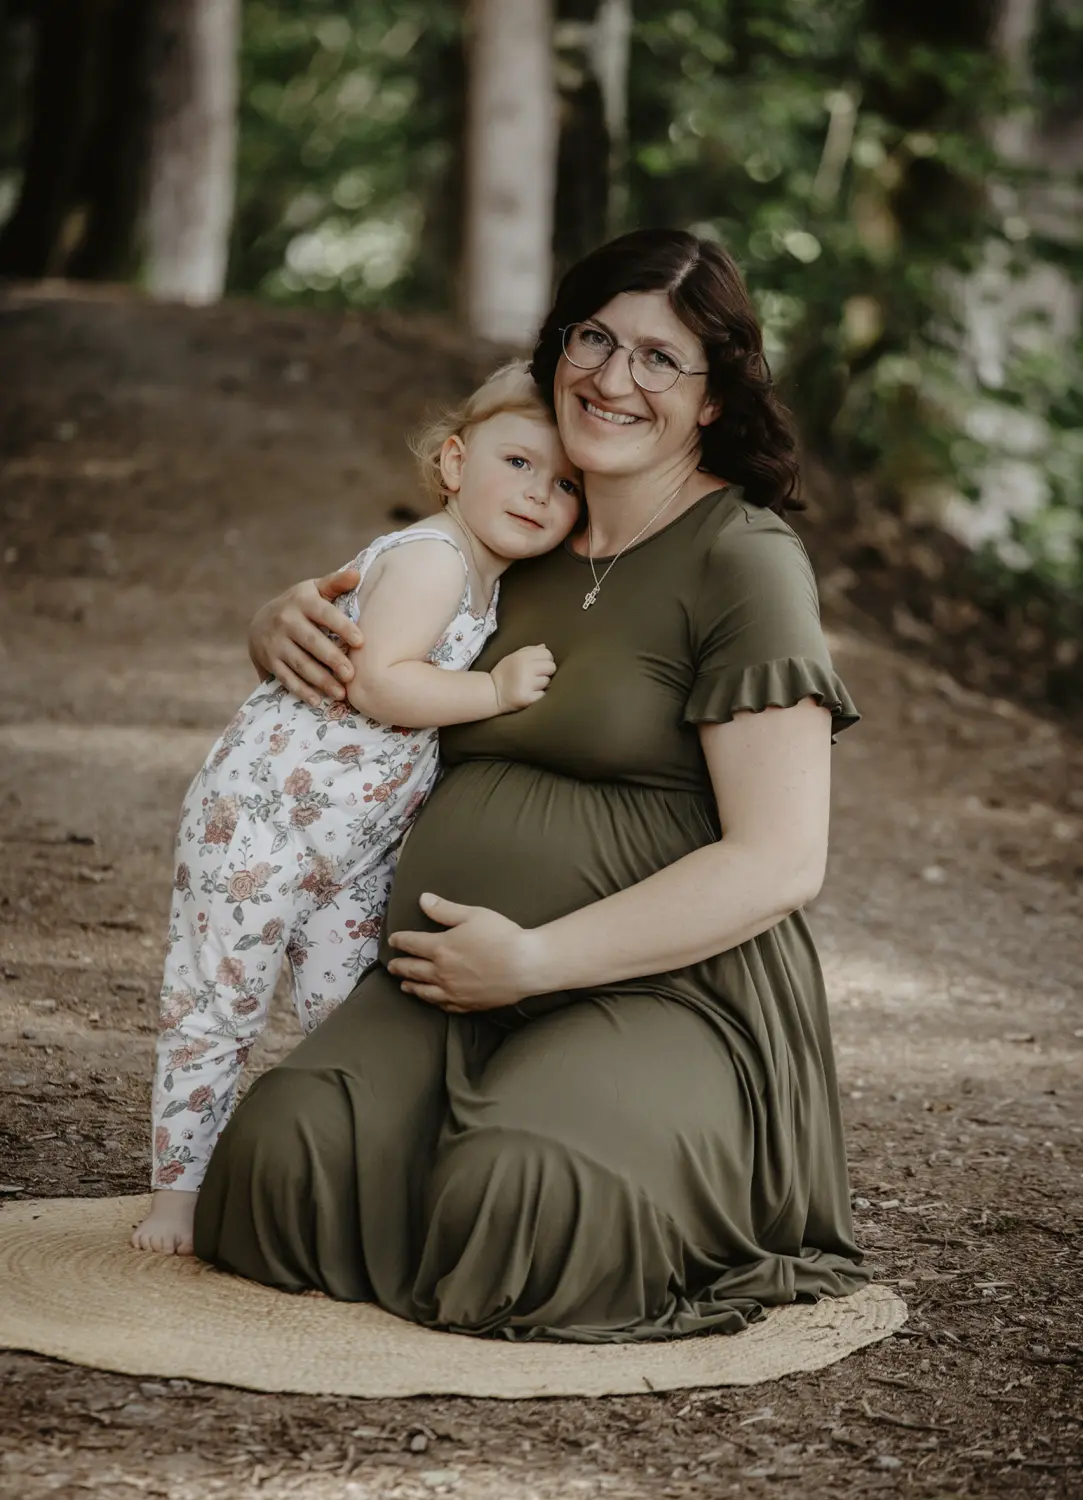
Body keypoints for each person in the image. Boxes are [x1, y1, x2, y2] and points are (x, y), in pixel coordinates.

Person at [192, 228, 872, 1340]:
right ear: (557, 349)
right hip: (445, 984)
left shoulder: (742, 560)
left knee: (527, 1187)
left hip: (665, 993)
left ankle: (517, 1171)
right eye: (595, 339)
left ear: (712, 400)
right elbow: (385, 652)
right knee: (276, 1163)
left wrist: (538, 960)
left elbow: (781, 860)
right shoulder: (518, 528)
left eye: (660, 359)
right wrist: (275, 625)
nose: (613, 378)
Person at [132, 362, 581, 1256]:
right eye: (519, 462)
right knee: (219, 1004)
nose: (538, 493)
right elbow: (381, 681)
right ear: (455, 463)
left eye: (565, 484)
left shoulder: (487, 576)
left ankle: (327, 1172)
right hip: (262, 823)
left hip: (348, 849)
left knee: (351, 1012)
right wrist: (490, 691)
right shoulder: (433, 558)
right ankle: (175, 1197)